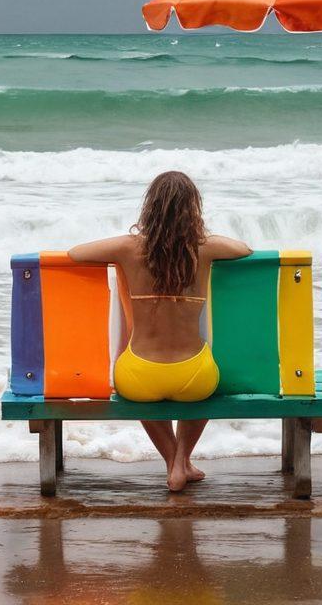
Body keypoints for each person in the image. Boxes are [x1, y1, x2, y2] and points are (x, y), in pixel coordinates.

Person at [69, 171, 251, 492]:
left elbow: (75, 253)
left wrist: (127, 246)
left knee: (139, 393)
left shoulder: (128, 248)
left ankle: (173, 464)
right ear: (192, 207)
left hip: (140, 374)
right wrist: (202, 237)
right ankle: (182, 460)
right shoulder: (204, 248)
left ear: (150, 207)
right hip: (193, 374)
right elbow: (243, 248)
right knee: (210, 387)